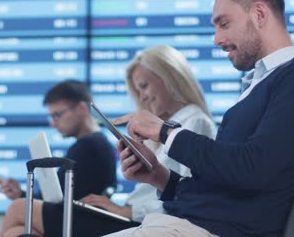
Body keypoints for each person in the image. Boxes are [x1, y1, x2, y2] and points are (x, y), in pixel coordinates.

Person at [108, 0, 294, 237]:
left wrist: (164, 132)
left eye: (224, 24)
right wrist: (159, 176)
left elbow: (252, 169)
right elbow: (227, 185)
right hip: (185, 225)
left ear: (259, 14)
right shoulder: (258, 85)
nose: (217, 39)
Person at [75, 45, 217, 236]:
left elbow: (188, 199)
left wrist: (127, 211)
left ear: (169, 76)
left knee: (22, 210)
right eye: (137, 90)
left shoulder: (195, 122)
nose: (142, 97)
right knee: (21, 225)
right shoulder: (160, 129)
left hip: (147, 223)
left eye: (143, 86)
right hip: (136, 219)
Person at [0, 79, 117, 237]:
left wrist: (22, 198)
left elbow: (58, 202)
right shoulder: (94, 144)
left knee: (18, 208)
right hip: (77, 219)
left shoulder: (89, 146)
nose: (53, 123)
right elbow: (57, 199)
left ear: (82, 108)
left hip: (84, 222)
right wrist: (20, 193)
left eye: (57, 115)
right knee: (16, 232)